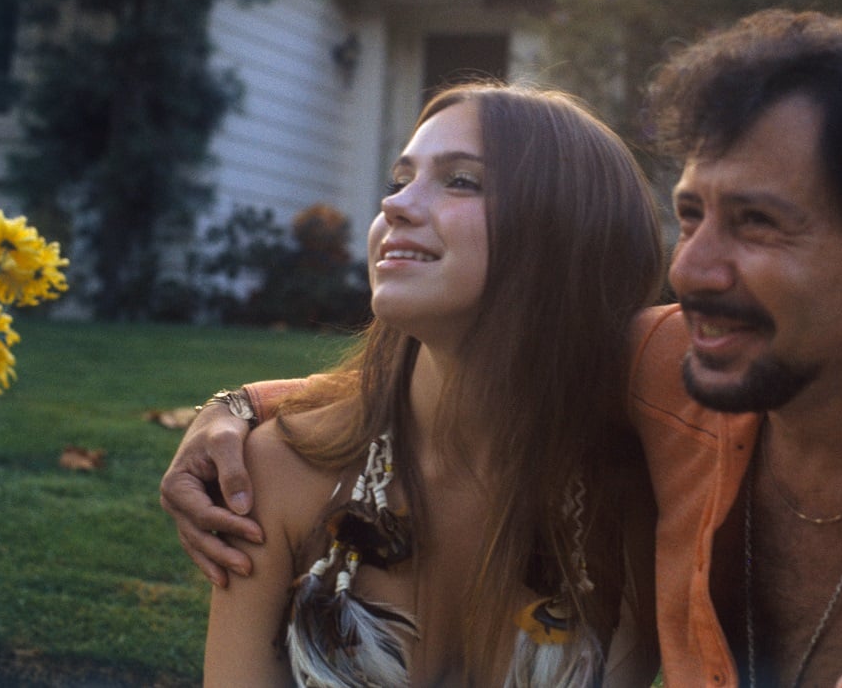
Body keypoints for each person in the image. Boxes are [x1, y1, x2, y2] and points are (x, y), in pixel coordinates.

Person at [164, 11, 842, 686]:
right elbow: (497, 356)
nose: (691, 269)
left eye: (757, 223)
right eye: (692, 213)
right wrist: (240, 407)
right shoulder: (690, 375)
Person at [193, 82, 664, 686]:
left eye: (461, 181)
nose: (395, 205)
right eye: (399, 179)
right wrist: (234, 405)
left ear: (565, 230)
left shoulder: (628, 505)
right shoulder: (281, 470)